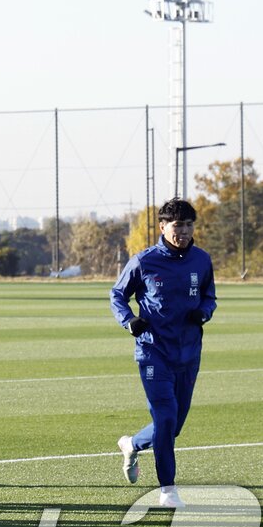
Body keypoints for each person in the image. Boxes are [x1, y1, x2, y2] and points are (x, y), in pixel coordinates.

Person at [110, 197, 216, 509]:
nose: (182, 231)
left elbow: (209, 296)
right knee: (166, 418)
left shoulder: (202, 260)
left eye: (188, 225)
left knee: (173, 426)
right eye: (177, 225)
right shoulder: (144, 261)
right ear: (162, 227)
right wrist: (129, 320)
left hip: (189, 353)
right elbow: (117, 294)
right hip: (153, 352)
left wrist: (204, 311)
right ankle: (168, 490)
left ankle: (132, 444)